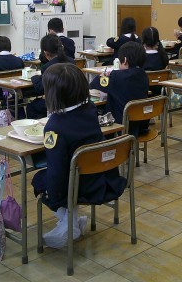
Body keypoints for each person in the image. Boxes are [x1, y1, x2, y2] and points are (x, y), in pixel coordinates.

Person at [31, 64, 127, 249]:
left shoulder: (54, 127)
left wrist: (56, 198)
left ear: (52, 94)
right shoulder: (90, 109)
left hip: (78, 187)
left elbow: (56, 172)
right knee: (64, 175)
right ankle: (71, 221)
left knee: (40, 180)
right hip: (103, 179)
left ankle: (69, 221)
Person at [89, 42, 149, 137]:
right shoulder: (144, 75)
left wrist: (103, 76)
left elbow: (95, 83)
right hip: (140, 123)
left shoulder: (116, 76)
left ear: (124, 60)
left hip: (122, 125)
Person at [26, 34, 74, 119]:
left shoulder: (47, 67)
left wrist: (34, 78)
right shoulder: (71, 61)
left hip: (57, 104)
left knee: (32, 106)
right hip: (73, 101)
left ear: (45, 53)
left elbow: (42, 89)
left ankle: (43, 125)